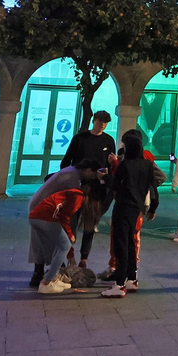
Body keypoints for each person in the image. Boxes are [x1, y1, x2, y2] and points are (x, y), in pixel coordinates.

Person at [27, 161, 99, 294]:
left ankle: (52, 277)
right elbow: (65, 217)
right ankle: (48, 282)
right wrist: (70, 241)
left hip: (41, 212)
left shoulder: (70, 173)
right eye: (93, 174)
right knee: (63, 245)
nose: (93, 176)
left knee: (58, 243)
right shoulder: (75, 185)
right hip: (45, 215)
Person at [103, 132, 159, 298]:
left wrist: (105, 177)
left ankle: (119, 283)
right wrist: (153, 208)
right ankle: (132, 279)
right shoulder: (148, 165)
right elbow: (153, 188)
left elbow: (114, 184)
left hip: (123, 207)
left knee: (121, 244)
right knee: (131, 243)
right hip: (137, 208)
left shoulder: (125, 165)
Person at [62, 110, 116, 269]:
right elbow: (67, 160)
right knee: (71, 221)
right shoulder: (80, 139)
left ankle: (84, 258)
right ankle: (68, 252)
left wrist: (106, 178)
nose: (103, 125)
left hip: (96, 187)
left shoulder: (108, 140)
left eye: (106, 123)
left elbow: (110, 165)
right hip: (78, 184)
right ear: (94, 121)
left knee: (90, 224)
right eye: (100, 121)